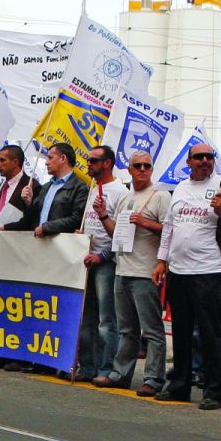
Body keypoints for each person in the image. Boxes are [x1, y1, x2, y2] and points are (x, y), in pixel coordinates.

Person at [154, 142, 221, 409]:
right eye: (199, 157)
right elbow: (169, 226)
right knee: (181, 331)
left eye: (209, 157)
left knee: (210, 333)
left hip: (208, 270)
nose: (204, 161)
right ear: (188, 162)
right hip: (178, 270)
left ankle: (214, 389)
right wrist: (161, 260)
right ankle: (180, 385)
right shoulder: (180, 188)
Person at [97, 148, 171, 394]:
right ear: (129, 169)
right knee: (126, 329)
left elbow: (170, 231)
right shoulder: (126, 198)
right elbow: (115, 232)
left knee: (151, 330)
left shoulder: (159, 196)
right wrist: (103, 215)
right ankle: (120, 374)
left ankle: (153, 379)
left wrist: (146, 223)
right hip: (123, 269)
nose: (142, 170)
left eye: (146, 166)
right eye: (137, 166)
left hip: (145, 271)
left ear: (152, 170)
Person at [75, 145, 127, 384]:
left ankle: (105, 369)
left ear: (107, 163)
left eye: (94, 160)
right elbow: (90, 225)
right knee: (86, 318)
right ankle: (87, 366)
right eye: (88, 160)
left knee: (107, 320)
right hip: (87, 260)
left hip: (105, 263)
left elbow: (120, 234)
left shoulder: (120, 192)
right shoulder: (92, 188)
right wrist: (81, 235)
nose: (89, 164)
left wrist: (102, 255)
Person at [0, 142, 41, 232]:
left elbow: (34, 219)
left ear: (15, 162)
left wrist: (28, 203)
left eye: (2, 160)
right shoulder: (2, 185)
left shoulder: (32, 185)